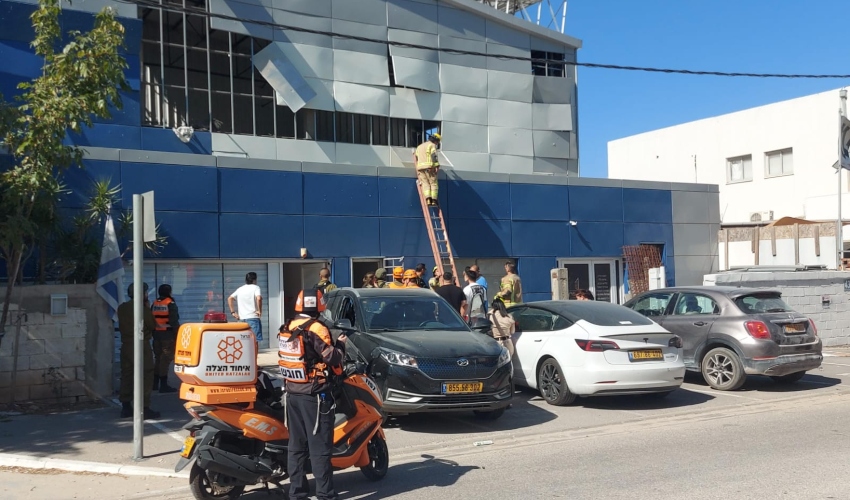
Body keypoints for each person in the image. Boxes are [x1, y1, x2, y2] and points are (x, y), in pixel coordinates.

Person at [279, 289, 347, 500]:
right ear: (318, 306)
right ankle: (326, 495)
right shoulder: (317, 328)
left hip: (292, 393)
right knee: (320, 447)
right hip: (315, 395)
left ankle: (297, 493)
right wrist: (342, 343)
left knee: (296, 446)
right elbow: (332, 358)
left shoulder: (288, 325)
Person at [117, 283, 160, 419]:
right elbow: (152, 325)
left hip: (126, 345)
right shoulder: (143, 309)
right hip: (141, 345)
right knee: (146, 374)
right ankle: (144, 407)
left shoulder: (122, 308)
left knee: (127, 374)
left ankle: (125, 406)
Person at [151, 284, 179, 393]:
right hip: (167, 335)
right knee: (165, 359)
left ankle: (155, 384)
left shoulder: (155, 303)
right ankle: (163, 385)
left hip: (156, 335)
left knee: (158, 358)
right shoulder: (170, 303)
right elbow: (173, 321)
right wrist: (177, 335)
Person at [228, 272, 264, 341]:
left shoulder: (240, 289)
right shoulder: (256, 287)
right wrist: (259, 311)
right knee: (254, 340)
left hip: (241, 319)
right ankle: (254, 352)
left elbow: (230, 298)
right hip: (253, 318)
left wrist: (233, 312)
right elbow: (259, 298)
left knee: (242, 341)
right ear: (254, 280)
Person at [414, 132, 441, 206]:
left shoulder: (419, 146)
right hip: (429, 167)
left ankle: (428, 199)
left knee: (425, 183)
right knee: (433, 183)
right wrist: (437, 166)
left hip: (420, 168)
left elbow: (416, 156)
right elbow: (434, 156)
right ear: (436, 140)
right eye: (438, 141)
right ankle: (434, 200)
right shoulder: (432, 145)